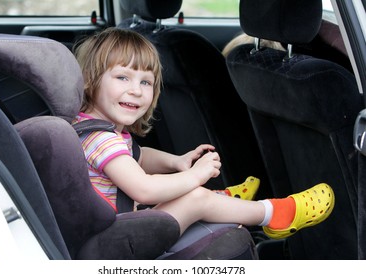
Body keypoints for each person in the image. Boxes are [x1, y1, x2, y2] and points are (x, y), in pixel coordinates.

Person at [72, 27, 334, 239]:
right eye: (122, 78)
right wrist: (195, 175)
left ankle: (222, 201)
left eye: (146, 82)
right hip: (117, 239)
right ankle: (275, 214)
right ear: (90, 78)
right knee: (196, 196)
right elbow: (144, 190)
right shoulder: (102, 140)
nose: (137, 90)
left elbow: (136, 156)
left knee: (194, 194)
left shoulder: (95, 130)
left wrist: (175, 161)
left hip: (117, 227)